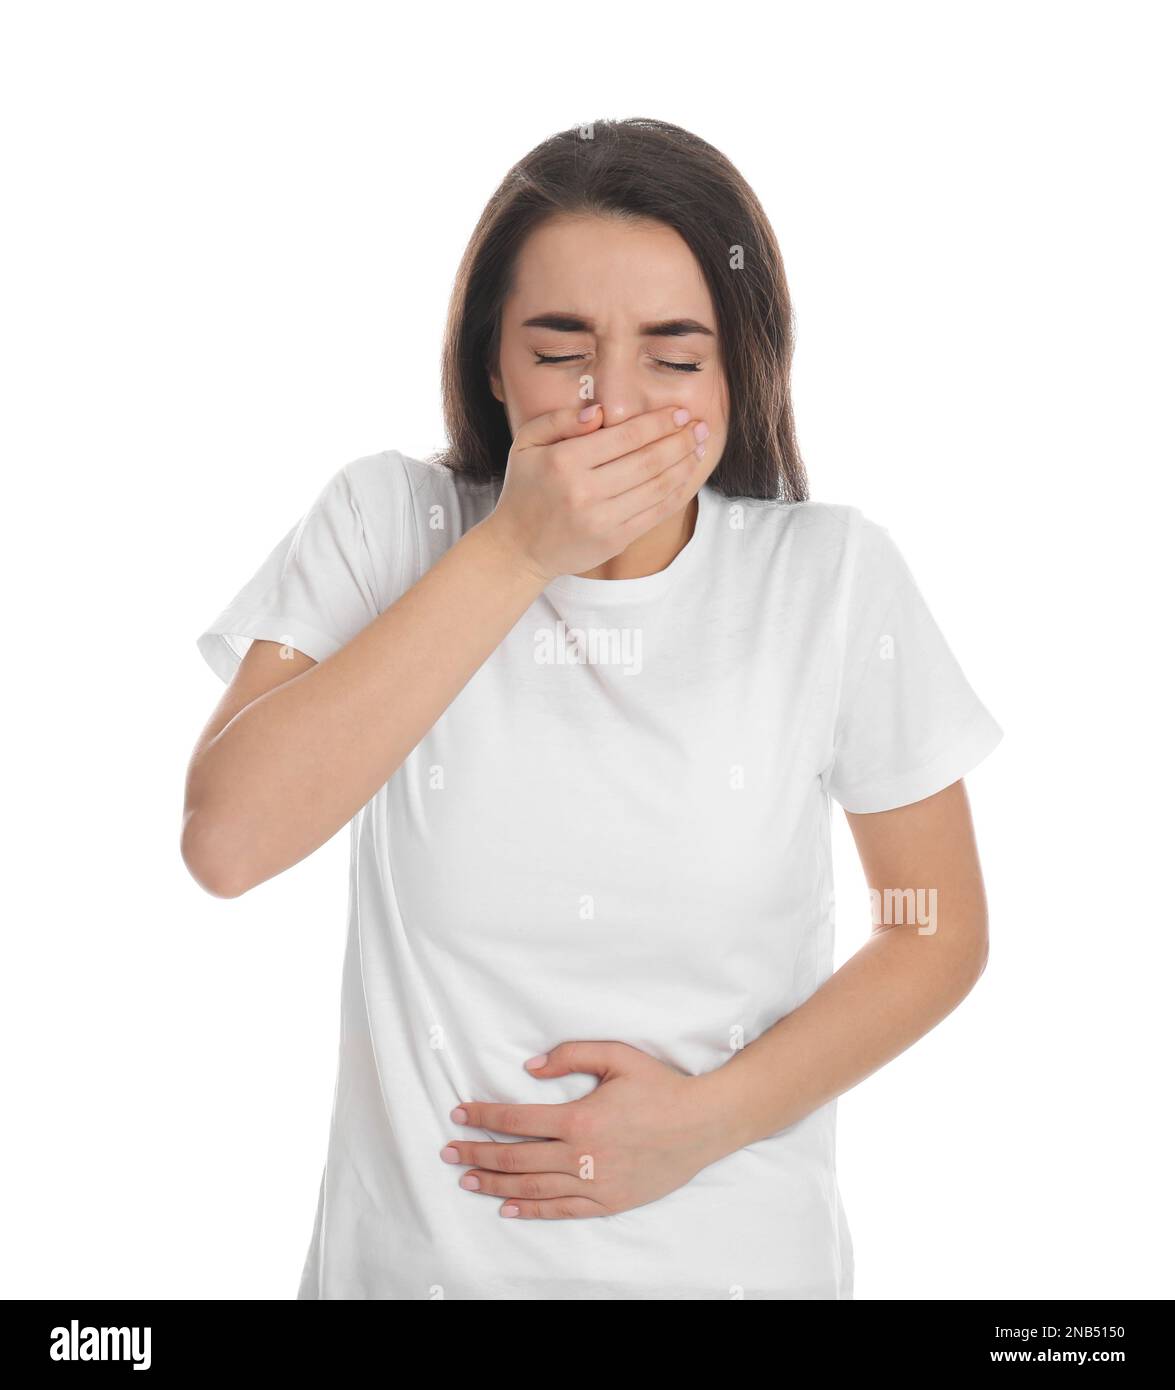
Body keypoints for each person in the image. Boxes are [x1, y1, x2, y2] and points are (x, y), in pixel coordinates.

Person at [182, 117, 1002, 1300]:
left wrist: (702, 1122)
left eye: (673, 357)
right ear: (489, 363)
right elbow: (227, 841)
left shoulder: (828, 577)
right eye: (559, 348)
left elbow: (933, 927)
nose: (611, 404)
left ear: (739, 372)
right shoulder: (386, 525)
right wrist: (516, 547)